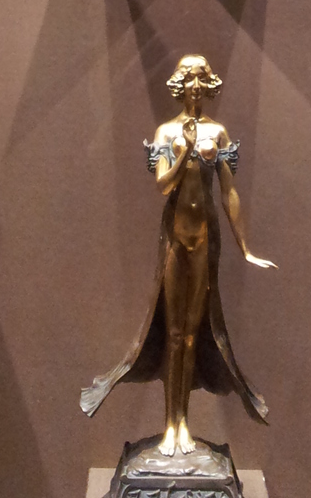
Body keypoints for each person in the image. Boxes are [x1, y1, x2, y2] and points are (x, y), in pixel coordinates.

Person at [81, 54, 275, 456]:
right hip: (175, 238)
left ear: (209, 86)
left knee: (192, 333)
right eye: (190, 80)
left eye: (202, 80)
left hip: (204, 239)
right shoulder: (167, 132)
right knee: (172, 333)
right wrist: (185, 152)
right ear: (180, 86)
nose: (196, 87)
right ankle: (169, 427)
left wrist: (245, 248)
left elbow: (229, 193)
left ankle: (183, 423)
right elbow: (163, 186)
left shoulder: (218, 133)